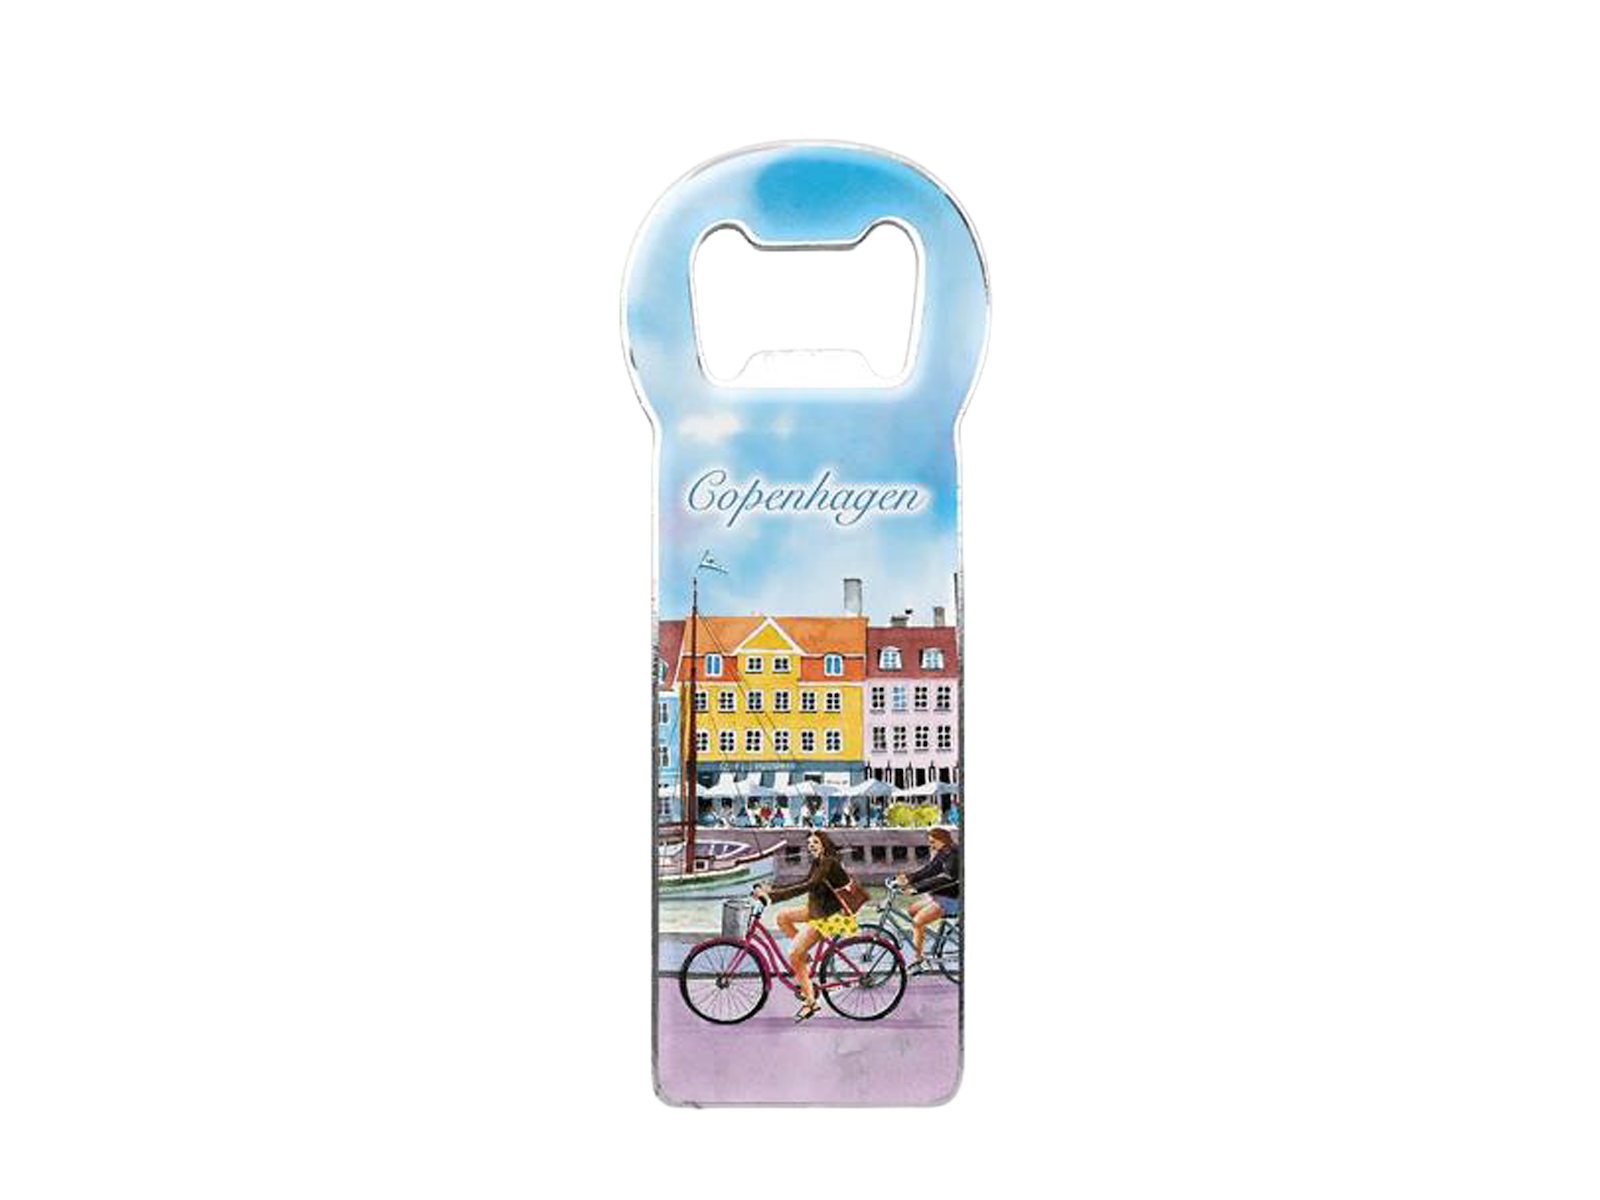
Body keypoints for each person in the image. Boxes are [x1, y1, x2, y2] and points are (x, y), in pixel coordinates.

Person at [753, 831, 855, 1022]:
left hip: (829, 915)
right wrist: (772, 890)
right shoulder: (819, 861)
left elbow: (809, 885)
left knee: (793, 955)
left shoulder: (828, 862)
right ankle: (804, 957)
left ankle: (810, 1003)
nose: (811, 846)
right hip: (818, 908)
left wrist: (772, 896)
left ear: (824, 844)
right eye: (809, 843)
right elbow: (804, 882)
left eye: (815, 842)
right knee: (782, 917)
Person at [894, 827, 960, 974]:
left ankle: (918, 962)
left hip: (953, 899)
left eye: (932, 842)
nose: (931, 845)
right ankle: (923, 941)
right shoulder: (943, 852)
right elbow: (930, 870)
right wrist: (908, 879)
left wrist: (916, 889)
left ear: (942, 840)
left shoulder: (954, 855)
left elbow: (946, 879)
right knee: (912, 910)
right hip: (941, 896)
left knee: (918, 921)